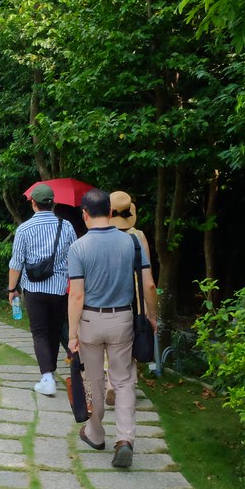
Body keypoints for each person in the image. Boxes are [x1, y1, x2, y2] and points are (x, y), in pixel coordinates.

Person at [67, 188, 157, 468]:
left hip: (91, 322)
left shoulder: (78, 247)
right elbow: (149, 284)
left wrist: (72, 334)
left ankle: (95, 433)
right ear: (110, 212)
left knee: (93, 381)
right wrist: (152, 317)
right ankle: (125, 439)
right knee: (124, 380)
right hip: (123, 320)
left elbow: (77, 295)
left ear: (84, 215)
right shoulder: (133, 244)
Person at [7, 183, 78, 397]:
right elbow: (74, 256)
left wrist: (12, 289)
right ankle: (51, 373)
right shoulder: (66, 226)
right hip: (59, 289)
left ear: (33, 203)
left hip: (34, 289)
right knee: (54, 331)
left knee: (39, 332)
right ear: (53, 203)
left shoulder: (24, 229)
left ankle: (47, 377)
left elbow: (16, 262)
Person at [103, 191, 153, 407]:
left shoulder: (102, 236)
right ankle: (126, 386)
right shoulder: (138, 236)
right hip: (134, 298)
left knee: (108, 342)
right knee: (130, 340)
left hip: (107, 295)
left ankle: (110, 384)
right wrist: (152, 312)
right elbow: (148, 277)